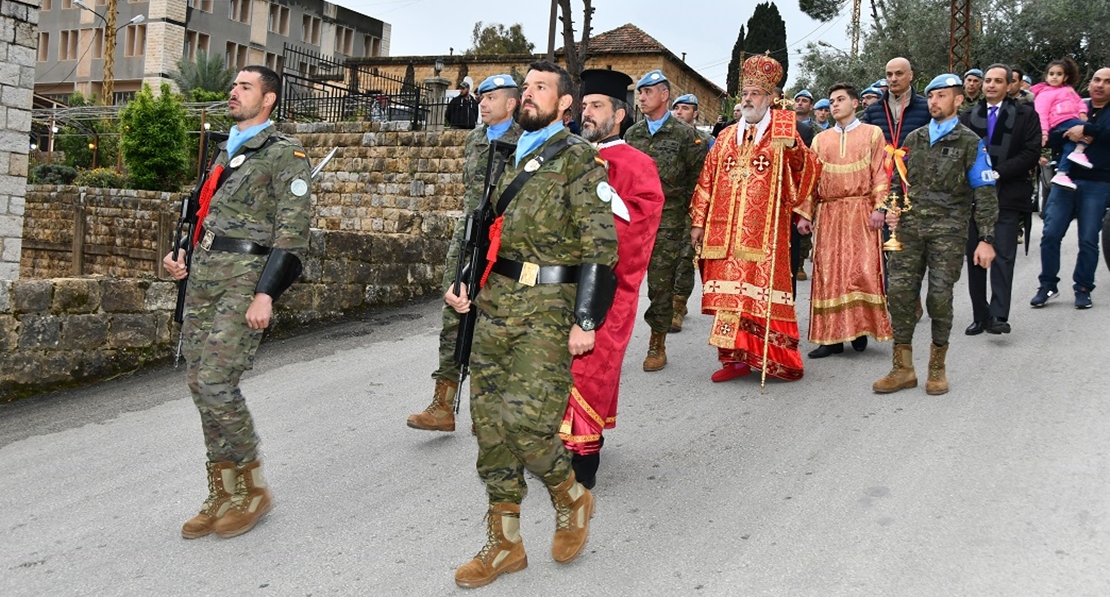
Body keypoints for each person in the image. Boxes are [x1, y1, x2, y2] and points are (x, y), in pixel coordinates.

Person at [444, 60, 617, 588]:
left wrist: (586, 320)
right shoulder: (503, 154)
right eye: (526, 87)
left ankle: (569, 494)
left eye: (541, 87)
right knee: (490, 427)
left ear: (566, 104)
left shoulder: (579, 159)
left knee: (527, 425)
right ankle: (505, 543)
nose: (528, 95)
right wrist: (464, 282)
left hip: (548, 308)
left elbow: (601, 246)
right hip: (495, 302)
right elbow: (484, 232)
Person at [162, 65, 311, 539]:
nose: (234, 91)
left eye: (245, 87)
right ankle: (220, 489)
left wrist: (265, 293)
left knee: (216, 380)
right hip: (204, 276)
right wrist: (182, 251)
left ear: (267, 100)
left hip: (244, 281)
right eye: (235, 85)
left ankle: (252, 486)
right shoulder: (227, 150)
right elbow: (208, 215)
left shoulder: (283, 154)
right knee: (197, 381)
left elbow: (292, 234)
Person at [559, 68, 665, 490]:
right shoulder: (568, 155)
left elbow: (642, 224)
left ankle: (585, 453)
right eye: (584, 106)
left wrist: (603, 197)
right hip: (559, 281)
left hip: (609, 283)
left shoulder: (638, 163)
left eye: (596, 106)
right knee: (556, 364)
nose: (587, 113)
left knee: (592, 366)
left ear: (618, 114)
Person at [689, 54, 819, 383]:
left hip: (766, 234)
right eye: (744, 93)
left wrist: (792, 149)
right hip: (724, 235)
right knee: (729, 297)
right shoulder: (724, 137)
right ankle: (732, 359)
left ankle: (772, 358)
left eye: (755, 94)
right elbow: (706, 181)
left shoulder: (783, 132)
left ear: (772, 98)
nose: (748, 99)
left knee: (761, 295)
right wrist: (698, 223)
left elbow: (806, 172)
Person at [406, 74, 522, 432]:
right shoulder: (474, 139)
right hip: (468, 234)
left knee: (493, 320)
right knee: (453, 313)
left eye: (492, 97)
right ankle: (443, 405)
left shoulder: (524, 143)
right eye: (481, 97)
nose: (483, 103)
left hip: (503, 239)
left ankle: (488, 404)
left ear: (512, 104)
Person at [873, 74, 998, 396]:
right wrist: (891, 208)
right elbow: (898, 181)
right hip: (910, 229)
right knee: (899, 294)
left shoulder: (970, 142)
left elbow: (984, 191)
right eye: (931, 97)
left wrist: (986, 238)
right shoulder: (914, 138)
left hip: (949, 232)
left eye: (941, 96)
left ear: (958, 100)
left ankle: (937, 366)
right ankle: (903, 368)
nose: (934, 102)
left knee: (939, 299)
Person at [625, 70, 710, 371]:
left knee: (660, 284)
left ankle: (656, 342)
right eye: (640, 92)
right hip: (634, 219)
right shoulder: (632, 135)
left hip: (669, 220)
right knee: (621, 283)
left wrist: (690, 221)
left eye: (648, 92)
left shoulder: (687, 136)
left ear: (664, 95)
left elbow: (696, 181)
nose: (642, 97)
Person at [807, 84, 893, 357]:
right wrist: (805, 214)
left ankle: (859, 330)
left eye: (840, 99)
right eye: (831, 100)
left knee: (861, 271)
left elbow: (881, 173)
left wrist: (880, 207)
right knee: (828, 273)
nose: (834, 105)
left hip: (861, 210)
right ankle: (829, 338)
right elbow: (810, 180)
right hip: (829, 213)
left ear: (855, 103)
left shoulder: (872, 133)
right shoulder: (820, 140)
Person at [959, 64, 1041, 335]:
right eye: (988, 81)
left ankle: (998, 315)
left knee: (1003, 255)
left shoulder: (1025, 115)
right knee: (975, 256)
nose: (991, 85)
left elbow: (1031, 152)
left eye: (998, 81)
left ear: (1009, 86)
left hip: (1008, 194)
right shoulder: (969, 116)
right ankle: (979, 315)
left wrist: (998, 172)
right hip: (975, 197)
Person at [1033, 67, 1110, 310]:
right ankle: (1047, 285)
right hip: (1065, 180)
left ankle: (1084, 287)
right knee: (1050, 234)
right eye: (1096, 79)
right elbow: (1053, 134)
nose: (1100, 85)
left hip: (1098, 182)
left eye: (1107, 82)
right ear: (1089, 83)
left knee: (1088, 239)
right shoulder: (1075, 103)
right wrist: (1066, 131)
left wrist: (1086, 129)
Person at [669, 93, 715, 331]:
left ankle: (678, 306)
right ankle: (668, 302)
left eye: (685, 108)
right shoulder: (666, 138)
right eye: (676, 108)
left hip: (693, 206)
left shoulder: (707, 140)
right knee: (667, 258)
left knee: (686, 257)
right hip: (667, 207)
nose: (679, 112)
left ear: (695, 113)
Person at [1031, 57, 1092, 189]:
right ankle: (1080, 151)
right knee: (1089, 129)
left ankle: (1062, 173)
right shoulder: (1044, 95)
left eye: (1059, 74)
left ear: (1065, 77)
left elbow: (1079, 102)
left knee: (1070, 144)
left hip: (1072, 121)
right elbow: (1041, 114)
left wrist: (1082, 112)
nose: (1054, 77)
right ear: (1046, 77)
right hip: (1058, 123)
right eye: (1051, 74)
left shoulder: (1069, 90)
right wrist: (1044, 132)